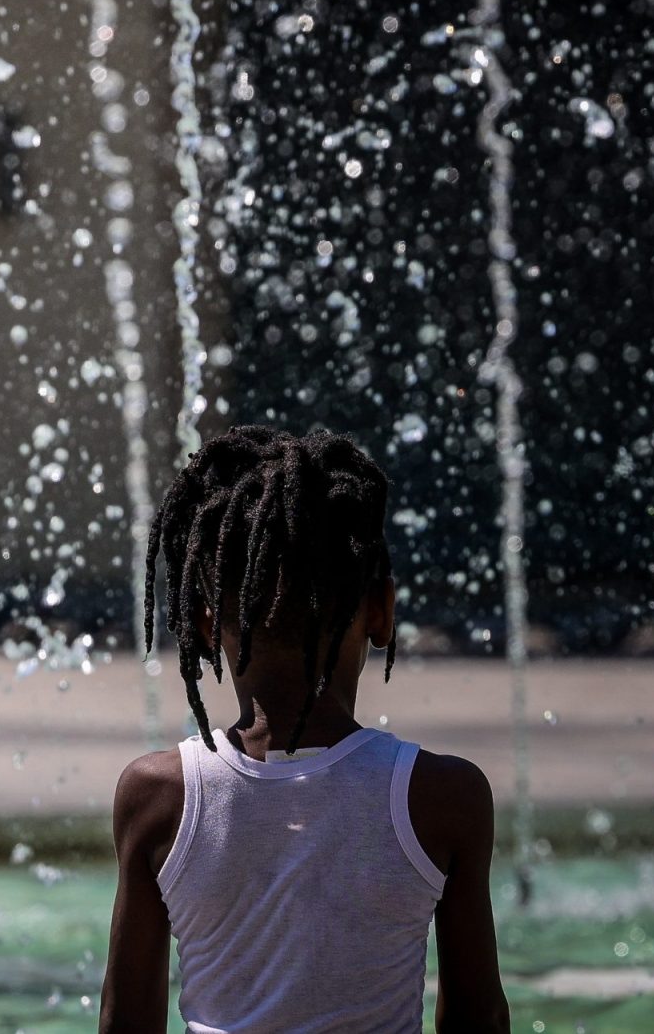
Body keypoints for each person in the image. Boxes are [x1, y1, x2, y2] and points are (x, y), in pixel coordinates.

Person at [98, 426, 510, 1034]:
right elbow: (478, 1020)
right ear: (381, 612)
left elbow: (124, 1025)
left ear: (206, 625)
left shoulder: (159, 796)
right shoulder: (442, 797)